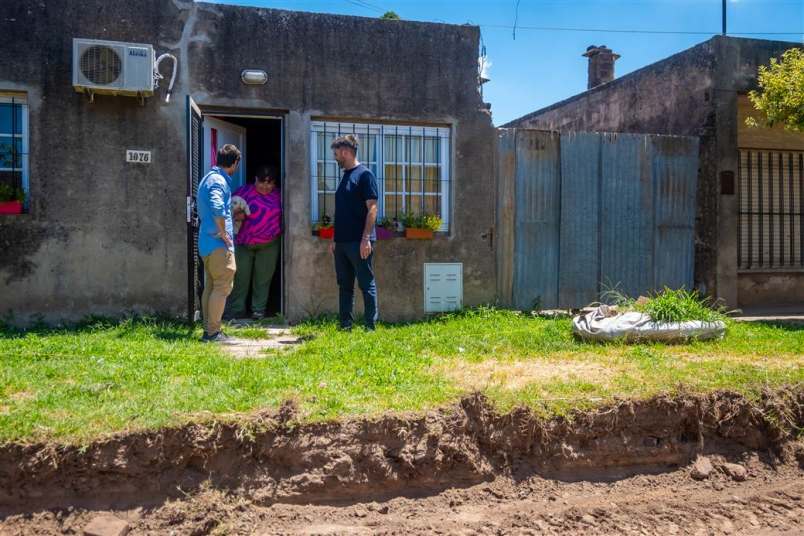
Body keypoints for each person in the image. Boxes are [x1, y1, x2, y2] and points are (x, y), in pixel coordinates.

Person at [329, 134, 379, 330]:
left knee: (366, 284)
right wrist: (334, 239)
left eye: (336, 154)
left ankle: (370, 327)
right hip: (342, 242)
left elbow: (372, 208)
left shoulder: (365, 175)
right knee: (345, 285)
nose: (335, 157)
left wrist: (366, 239)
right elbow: (342, 211)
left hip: (359, 242)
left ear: (345, 152)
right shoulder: (345, 176)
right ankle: (345, 326)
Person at [225, 165, 282, 320]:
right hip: (244, 244)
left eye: (269, 183)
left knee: (263, 279)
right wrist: (237, 214)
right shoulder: (243, 192)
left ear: (274, 184)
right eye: (261, 182)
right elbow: (227, 210)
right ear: (255, 180)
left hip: (269, 244)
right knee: (240, 278)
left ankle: (258, 310)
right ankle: (237, 310)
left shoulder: (279, 196)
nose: (265, 186)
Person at [197, 144, 240, 343]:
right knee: (223, 286)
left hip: (206, 244)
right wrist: (223, 233)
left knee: (212, 286)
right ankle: (213, 333)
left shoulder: (208, 178)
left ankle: (209, 330)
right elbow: (217, 206)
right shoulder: (218, 181)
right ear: (235, 163)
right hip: (217, 245)